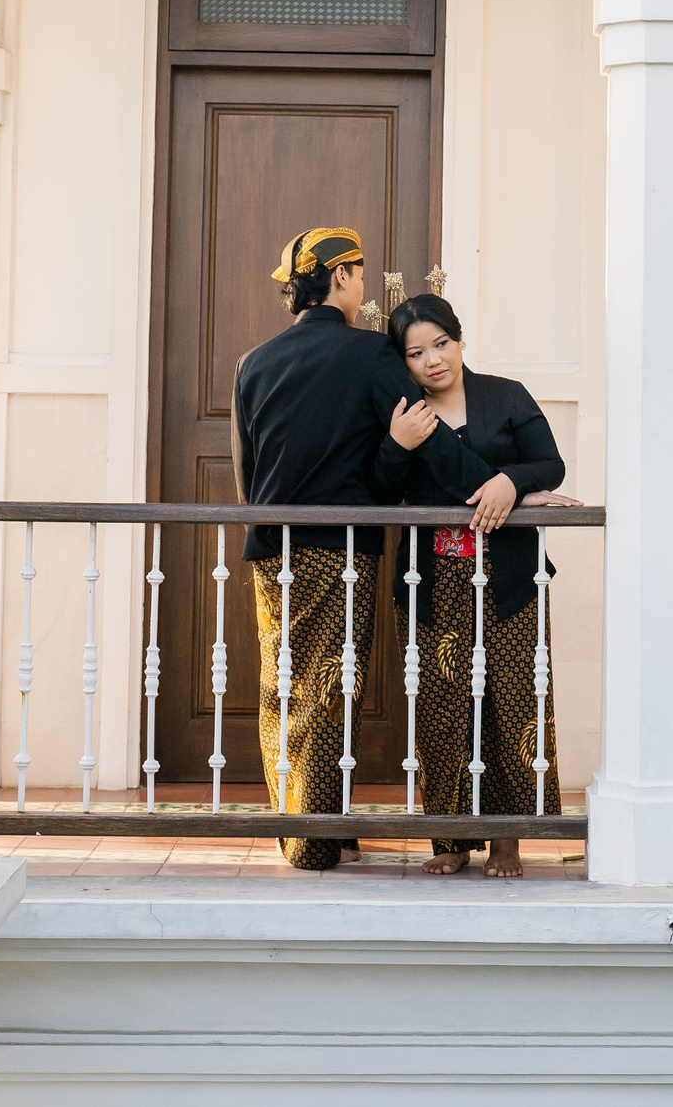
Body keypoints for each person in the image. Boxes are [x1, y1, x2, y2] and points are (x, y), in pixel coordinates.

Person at [231, 226, 456, 870]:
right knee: (328, 688)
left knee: (282, 686)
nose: (362, 283)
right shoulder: (372, 356)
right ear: (340, 278)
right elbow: (395, 468)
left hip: (269, 550)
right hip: (339, 548)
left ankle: (294, 826)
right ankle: (315, 839)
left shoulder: (254, 361)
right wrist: (398, 450)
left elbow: (248, 477)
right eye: (359, 272)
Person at [375, 293, 580, 877]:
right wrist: (398, 445)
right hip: (434, 578)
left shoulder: (505, 394)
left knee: (515, 702)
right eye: (416, 352)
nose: (433, 360)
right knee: (443, 706)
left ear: (459, 340)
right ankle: (451, 837)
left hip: (511, 576)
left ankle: (509, 837)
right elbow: (381, 487)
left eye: (441, 343)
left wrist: (511, 483)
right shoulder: (406, 413)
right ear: (404, 361)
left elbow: (551, 465)